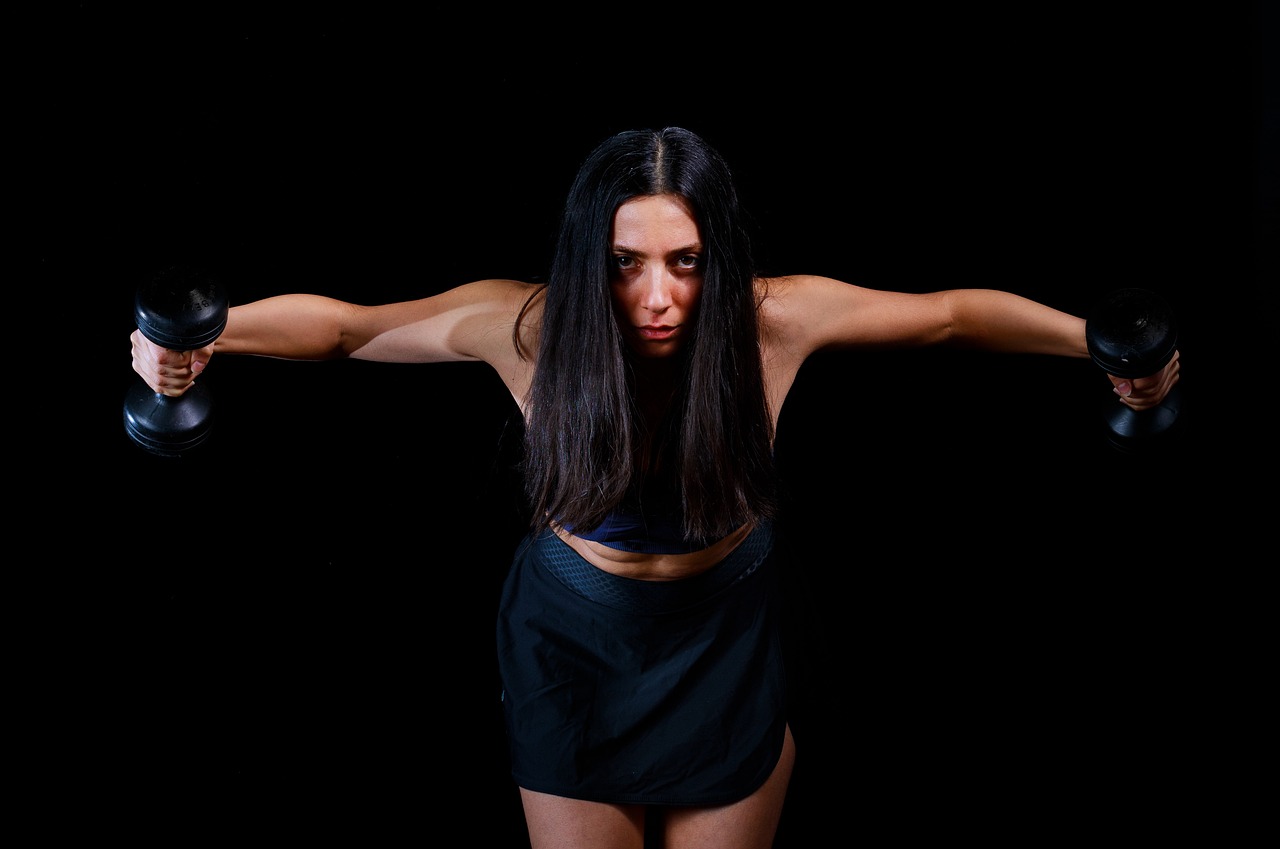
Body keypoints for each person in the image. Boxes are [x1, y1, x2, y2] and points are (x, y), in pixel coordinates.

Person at [129, 126, 1180, 848]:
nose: (658, 295)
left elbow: (949, 315)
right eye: (627, 261)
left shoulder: (772, 320)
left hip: (723, 635)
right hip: (571, 645)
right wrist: (205, 338)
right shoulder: (529, 327)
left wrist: (1095, 345)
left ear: (716, 254)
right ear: (591, 253)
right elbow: (346, 328)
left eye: (684, 260)